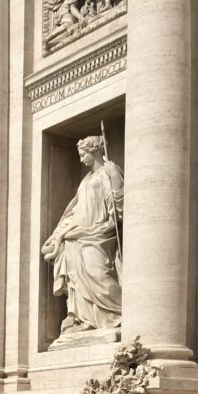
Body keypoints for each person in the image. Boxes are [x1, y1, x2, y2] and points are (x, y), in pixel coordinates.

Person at [42, 135, 123, 338]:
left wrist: (114, 178)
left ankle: (119, 311)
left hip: (100, 232)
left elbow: (119, 202)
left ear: (94, 151)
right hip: (78, 233)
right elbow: (75, 211)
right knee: (75, 277)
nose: (80, 159)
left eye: (83, 154)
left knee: (98, 273)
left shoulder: (109, 171)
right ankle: (82, 317)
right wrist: (58, 234)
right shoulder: (85, 180)